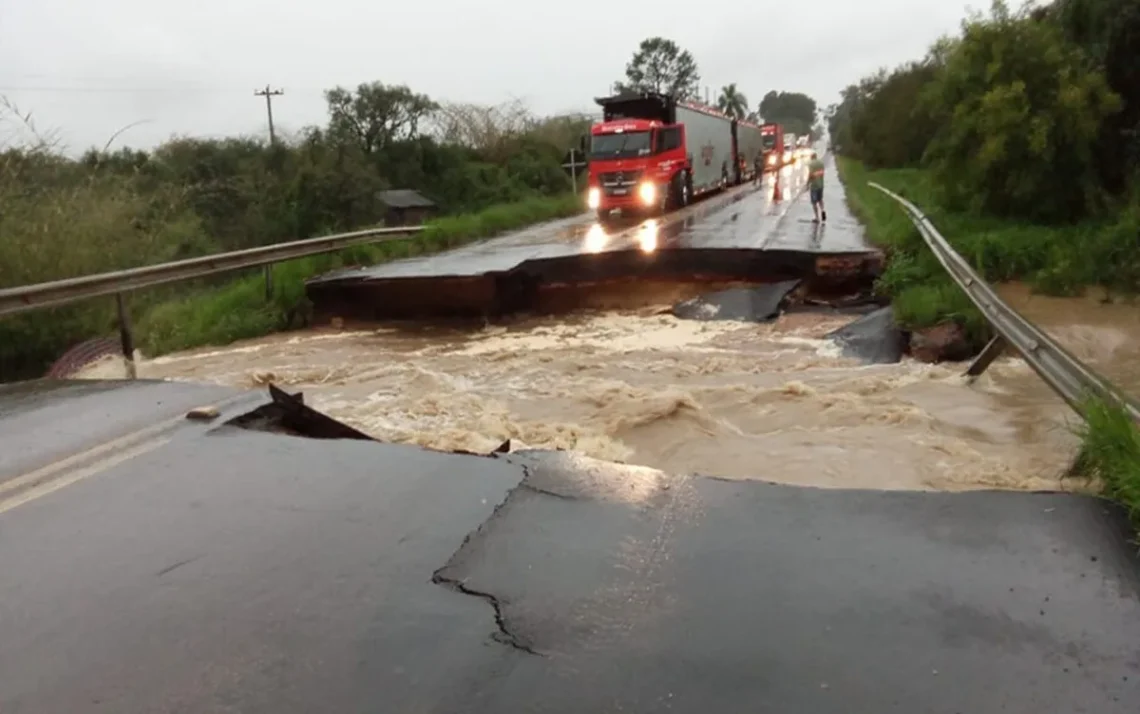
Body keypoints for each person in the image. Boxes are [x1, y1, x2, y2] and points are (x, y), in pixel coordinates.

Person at [808, 151, 826, 222]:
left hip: (814, 186)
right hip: (821, 185)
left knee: (814, 202)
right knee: (820, 199)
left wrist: (807, 183)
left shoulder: (811, 164)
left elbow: (811, 175)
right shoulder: (821, 163)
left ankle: (817, 218)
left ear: (811, 157)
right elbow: (822, 173)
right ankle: (823, 212)